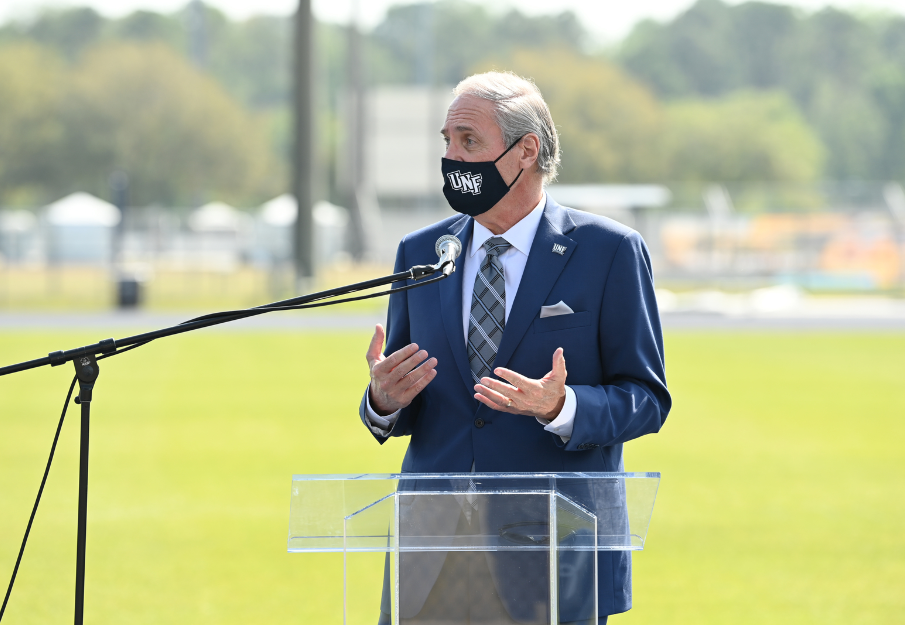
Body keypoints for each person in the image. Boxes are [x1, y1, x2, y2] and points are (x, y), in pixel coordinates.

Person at [360, 71, 671, 625]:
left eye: (469, 141)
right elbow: (405, 398)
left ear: (525, 150)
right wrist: (382, 400)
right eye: (447, 141)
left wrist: (561, 407)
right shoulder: (422, 251)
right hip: (431, 554)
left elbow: (646, 398)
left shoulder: (609, 252)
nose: (452, 157)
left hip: (551, 555)